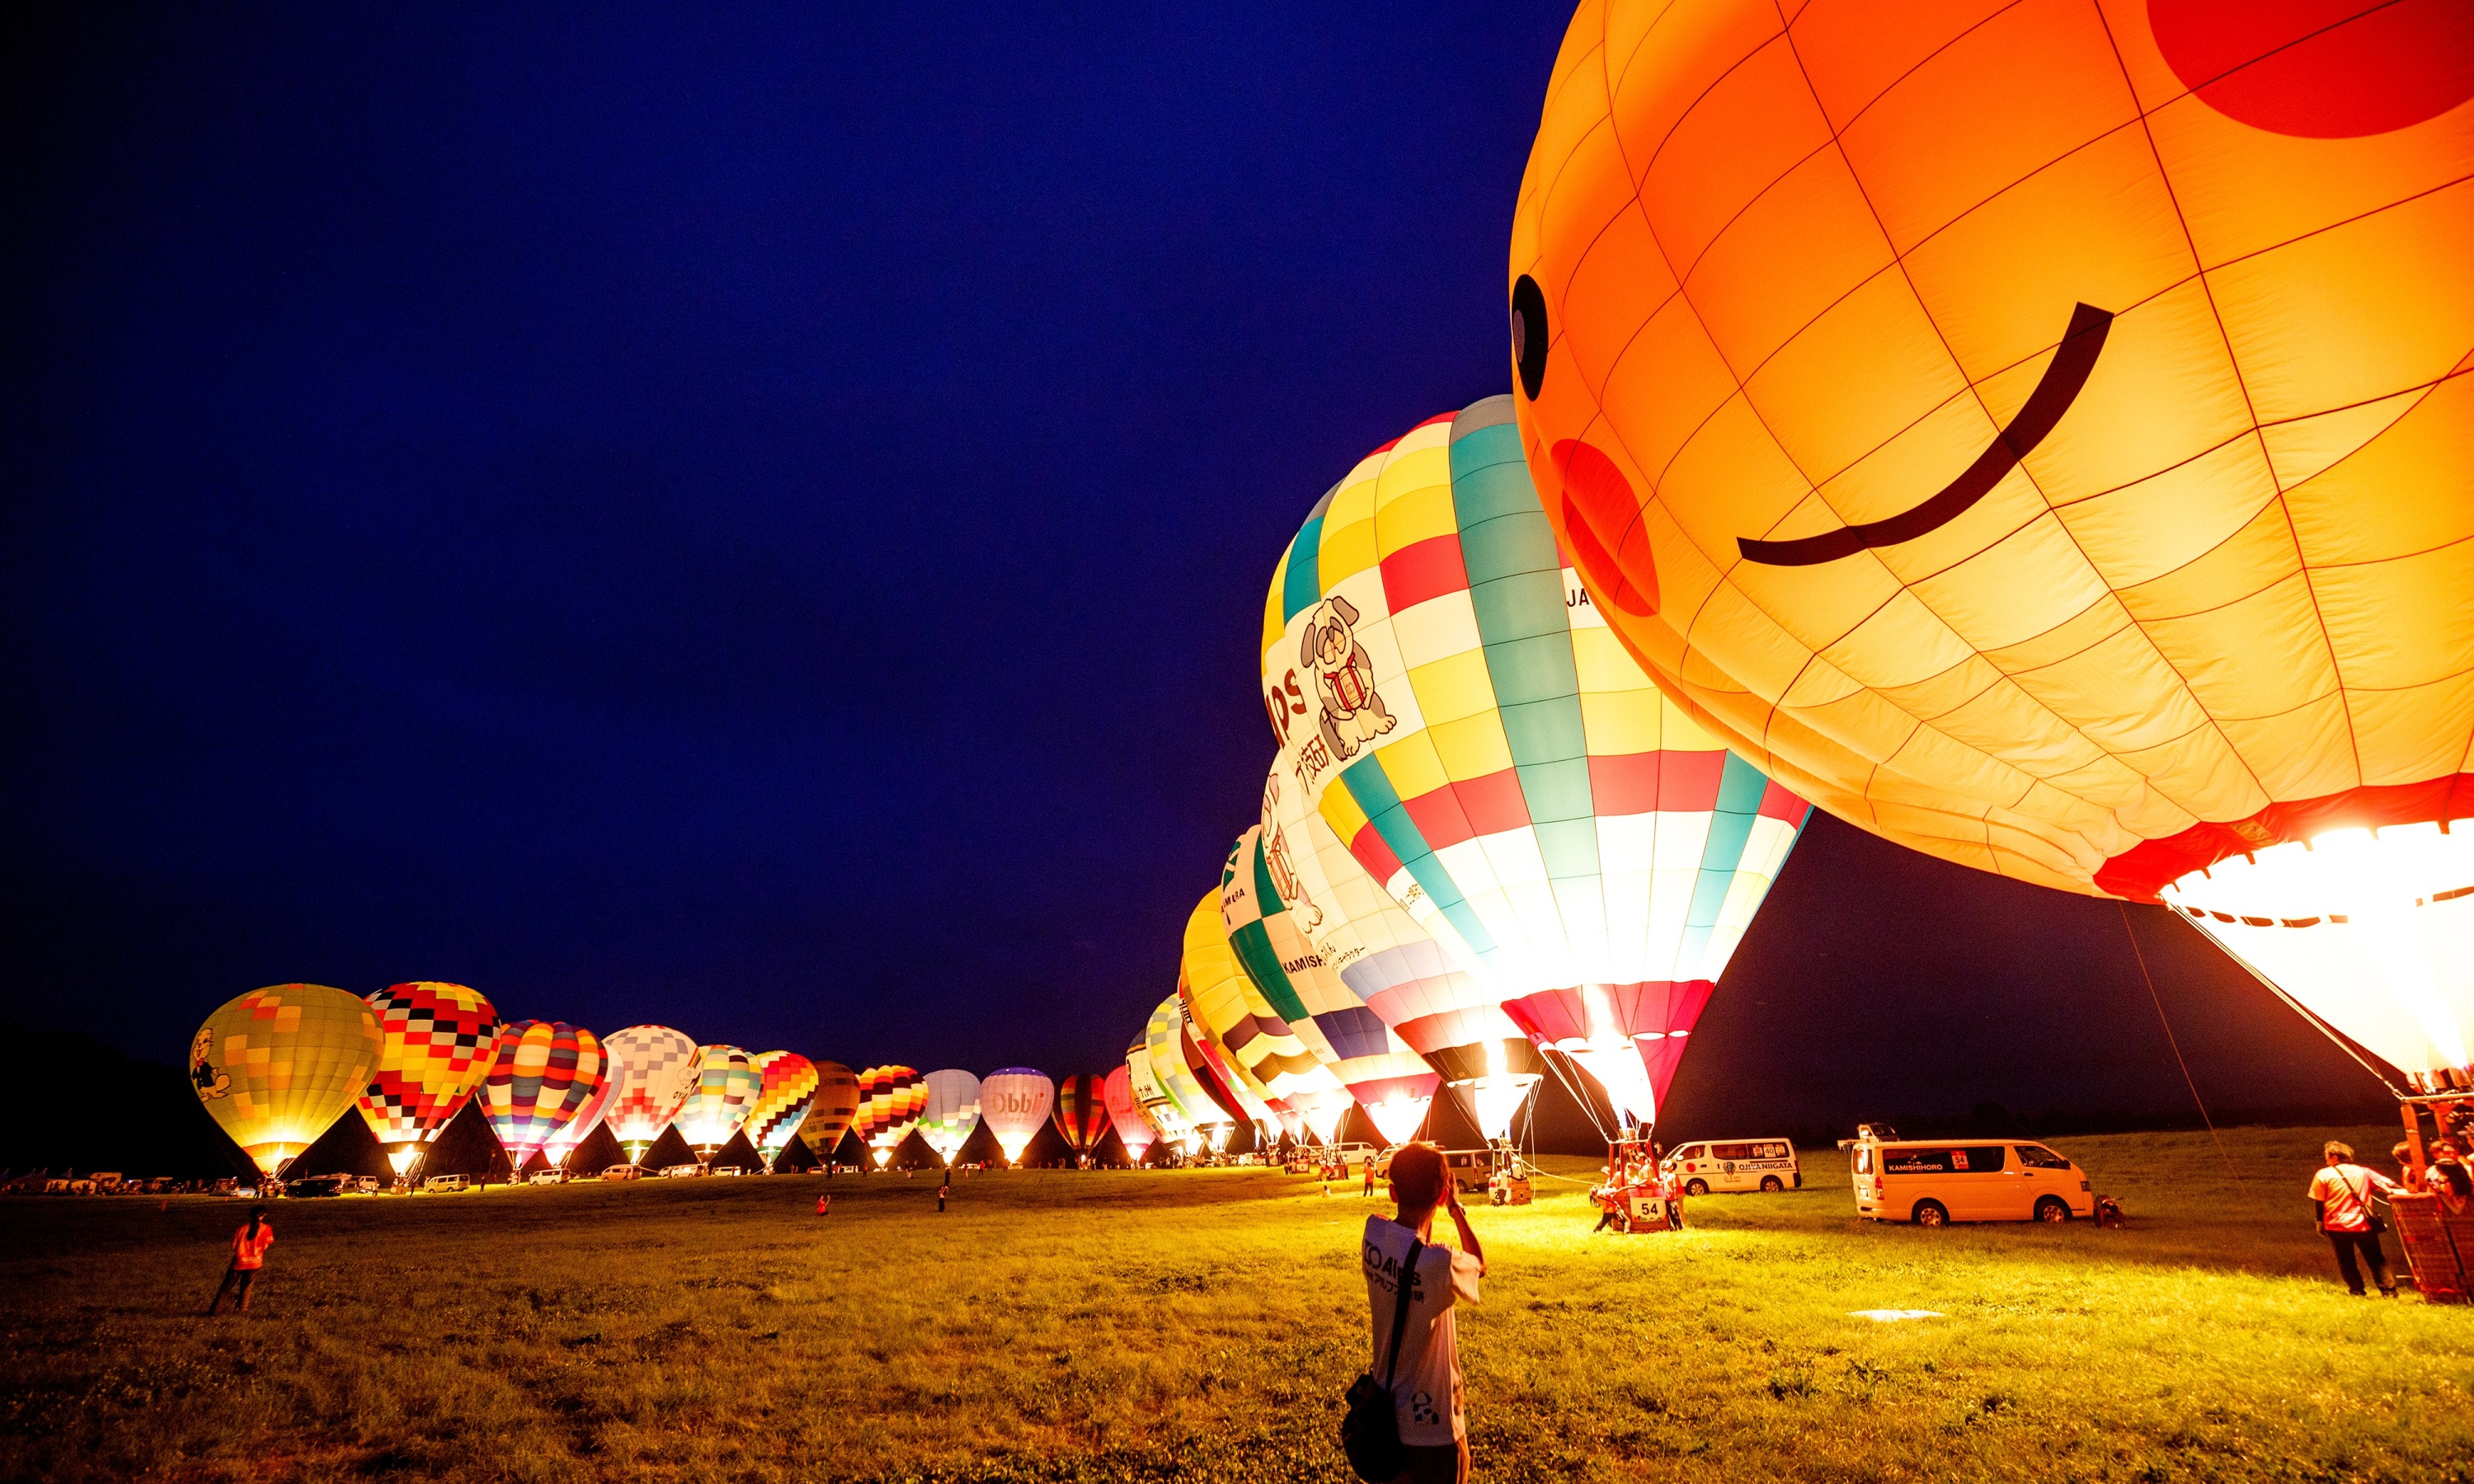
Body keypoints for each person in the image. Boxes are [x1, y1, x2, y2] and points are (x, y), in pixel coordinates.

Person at [1362, 1142, 1484, 1484]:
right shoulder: (1440, 1264)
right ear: (1443, 1195)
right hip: (1434, 1430)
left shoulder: (1372, 1233)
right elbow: (1479, 1264)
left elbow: (1408, 1241)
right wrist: (1456, 1209)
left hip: (1385, 1419)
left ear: (1392, 1192)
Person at [2309, 1140, 2399, 1297]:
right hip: (2363, 1223)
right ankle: (2389, 1291)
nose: (2326, 1159)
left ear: (2335, 1157)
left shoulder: (2323, 1174)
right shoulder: (2363, 1171)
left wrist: (2319, 1222)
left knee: (2346, 1260)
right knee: (2376, 1258)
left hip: (2337, 1225)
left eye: (2327, 1156)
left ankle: (2357, 1291)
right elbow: (2390, 1185)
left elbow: (2320, 1202)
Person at [209, 1206, 274, 1315]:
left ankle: (215, 1310)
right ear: (263, 1216)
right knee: (246, 1287)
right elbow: (265, 1247)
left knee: (226, 1287)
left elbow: (233, 1246)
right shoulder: (266, 1229)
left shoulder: (241, 1230)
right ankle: (241, 1309)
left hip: (239, 1263)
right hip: (255, 1263)